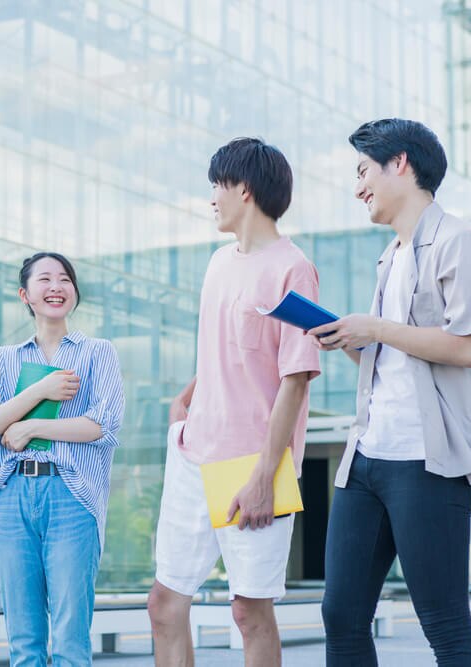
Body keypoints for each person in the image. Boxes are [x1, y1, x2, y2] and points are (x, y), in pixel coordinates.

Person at [310, 118, 471, 666]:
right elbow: (392, 360)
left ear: (401, 163)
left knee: (442, 621)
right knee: (340, 616)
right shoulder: (391, 255)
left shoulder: (462, 243)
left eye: (363, 171)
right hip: (366, 458)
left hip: (430, 461)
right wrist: (349, 339)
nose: (357, 188)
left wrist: (373, 328)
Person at [147, 137, 321, 667]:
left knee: (249, 611)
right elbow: (225, 349)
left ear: (244, 189)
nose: (212, 198)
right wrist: (189, 399)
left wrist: (265, 476)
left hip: (253, 463)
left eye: (217, 186)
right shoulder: (219, 262)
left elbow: (295, 378)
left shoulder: (295, 268)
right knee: (163, 604)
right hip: (193, 452)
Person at [0, 252, 125, 666]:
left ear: (74, 292)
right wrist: (39, 392)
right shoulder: (5, 359)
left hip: (71, 494)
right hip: (13, 494)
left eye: (65, 279)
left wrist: (30, 428)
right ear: (26, 295)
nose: (56, 287)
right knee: (23, 638)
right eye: (45, 280)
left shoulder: (97, 353)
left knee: (71, 636)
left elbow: (102, 425)